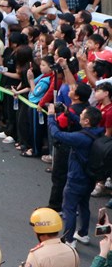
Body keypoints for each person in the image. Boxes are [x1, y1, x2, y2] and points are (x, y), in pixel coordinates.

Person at [48, 103, 104, 245]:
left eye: (82, 115)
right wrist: (68, 113)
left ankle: (68, 240)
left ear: (87, 121)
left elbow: (57, 134)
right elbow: (81, 125)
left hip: (76, 177)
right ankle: (83, 233)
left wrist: (50, 117)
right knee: (84, 205)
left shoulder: (80, 138)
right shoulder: (99, 132)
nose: (79, 116)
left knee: (69, 209)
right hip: (89, 177)